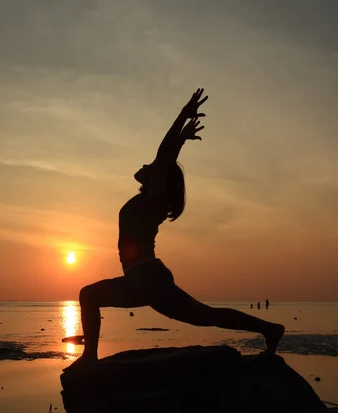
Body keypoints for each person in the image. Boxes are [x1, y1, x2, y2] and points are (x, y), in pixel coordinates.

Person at [66, 89, 284, 371]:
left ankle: (90, 358)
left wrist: (183, 115)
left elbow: (163, 155)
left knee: (88, 295)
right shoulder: (151, 200)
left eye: (152, 166)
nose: (145, 165)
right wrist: (180, 137)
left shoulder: (154, 198)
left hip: (147, 278)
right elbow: (165, 157)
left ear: (160, 177)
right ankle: (269, 328)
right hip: (148, 279)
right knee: (206, 315)